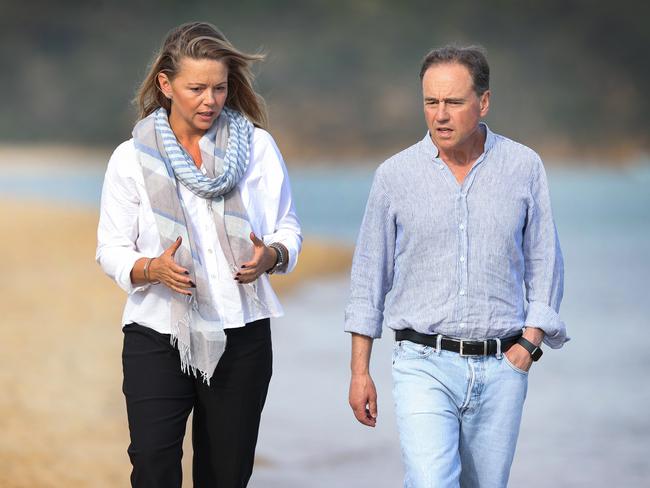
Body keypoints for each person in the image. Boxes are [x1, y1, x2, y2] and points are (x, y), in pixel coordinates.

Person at [345, 45, 567, 488]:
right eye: (431, 102)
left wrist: (529, 344)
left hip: (504, 364)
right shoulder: (395, 176)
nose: (440, 115)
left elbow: (545, 262)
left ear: (483, 102)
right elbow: (370, 277)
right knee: (431, 482)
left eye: (453, 102)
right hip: (421, 361)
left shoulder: (523, 167)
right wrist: (359, 372)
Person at [96, 22, 302, 488]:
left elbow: (288, 227)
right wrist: (152, 268)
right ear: (166, 85)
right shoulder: (129, 158)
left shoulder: (257, 148)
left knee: (226, 476)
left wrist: (269, 256)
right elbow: (110, 248)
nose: (210, 100)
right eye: (197, 88)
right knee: (151, 468)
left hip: (243, 334)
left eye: (220, 87)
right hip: (157, 333)